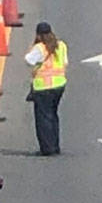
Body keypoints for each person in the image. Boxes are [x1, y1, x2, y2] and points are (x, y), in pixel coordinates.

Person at [25, 22, 68, 156]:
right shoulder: (61, 45)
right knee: (53, 116)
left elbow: (29, 60)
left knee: (43, 119)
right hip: (59, 86)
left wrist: (33, 47)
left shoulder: (40, 48)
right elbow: (65, 62)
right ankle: (55, 146)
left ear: (38, 35)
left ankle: (47, 148)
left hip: (43, 88)